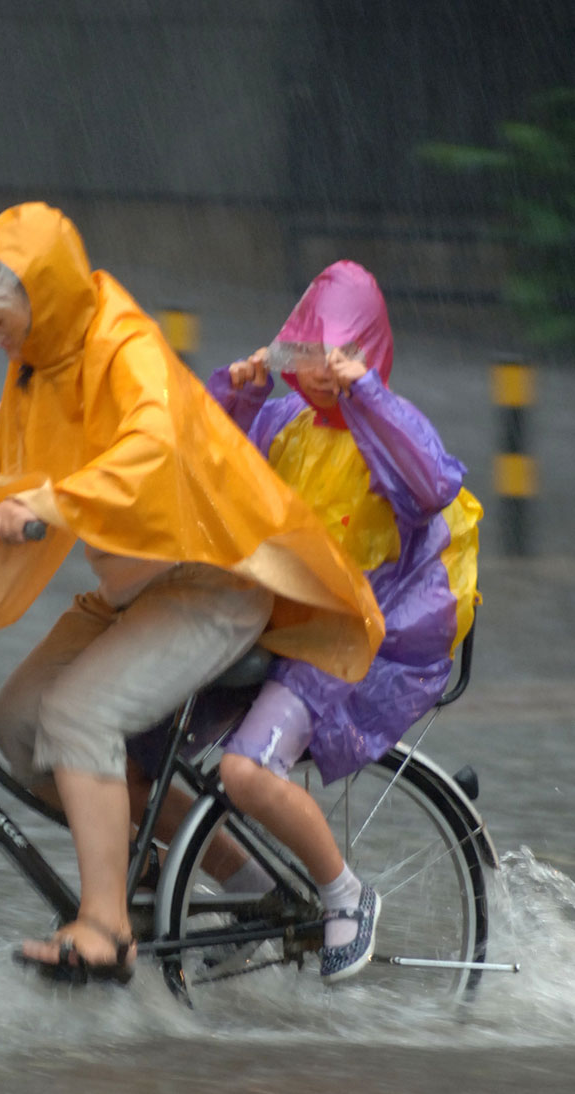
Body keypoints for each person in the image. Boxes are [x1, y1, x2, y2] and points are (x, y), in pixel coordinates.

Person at [0, 206, 384, 985]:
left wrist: (48, 507)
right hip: (138, 593)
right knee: (21, 725)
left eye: (2, 288)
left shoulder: (123, 344)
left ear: (47, 288)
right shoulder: (37, 370)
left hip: (212, 582)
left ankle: (105, 927)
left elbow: (149, 449)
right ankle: (232, 881)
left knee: (78, 715)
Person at [132, 260, 482, 983]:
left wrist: (368, 395)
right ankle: (241, 891)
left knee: (245, 771)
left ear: (367, 351)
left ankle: (344, 893)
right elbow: (202, 467)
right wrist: (236, 391)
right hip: (263, 625)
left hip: (343, 640)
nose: (324, 373)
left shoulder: (390, 426)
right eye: (311, 354)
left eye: (342, 355)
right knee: (135, 752)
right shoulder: (281, 421)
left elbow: (431, 482)